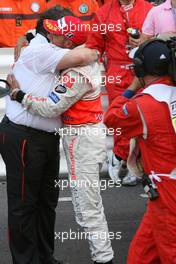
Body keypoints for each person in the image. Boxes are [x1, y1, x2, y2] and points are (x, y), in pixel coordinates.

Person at [7, 16, 114, 264]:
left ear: (68, 42)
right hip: (78, 138)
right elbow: (37, 40)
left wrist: (18, 94)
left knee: (87, 208)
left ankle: (104, 259)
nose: (51, 35)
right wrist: (27, 37)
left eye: (57, 33)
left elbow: (49, 108)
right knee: (83, 206)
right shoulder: (68, 56)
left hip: (83, 141)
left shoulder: (77, 71)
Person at [104, 38, 176, 263]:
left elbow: (111, 118)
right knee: (140, 256)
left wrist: (133, 87)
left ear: (141, 69)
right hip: (160, 192)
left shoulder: (143, 104)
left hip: (167, 192)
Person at [86, 0, 152, 186]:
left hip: (146, 70)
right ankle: (120, 157)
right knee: (121, 116)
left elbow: (161, 38)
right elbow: (94, 46)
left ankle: (138, 164)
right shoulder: (104, 12)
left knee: (146, 118)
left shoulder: (148, 9)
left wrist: (145, 41)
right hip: (118, 71)